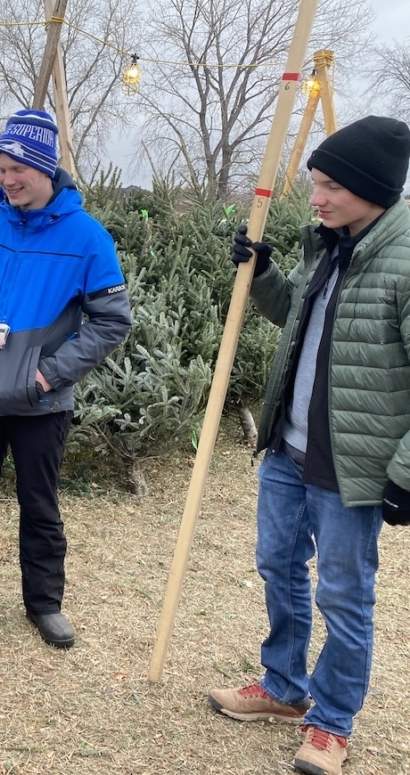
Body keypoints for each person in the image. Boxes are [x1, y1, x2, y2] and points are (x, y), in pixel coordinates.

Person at [208, 116, 410, 775]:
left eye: (327, 186)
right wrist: (263, 273)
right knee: (278, 566)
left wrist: (405, 472)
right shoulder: (329, 243)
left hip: (350, 466)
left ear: (369, 188)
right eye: (314, 183)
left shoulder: (404, 260)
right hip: (288, 452)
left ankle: (331, 721)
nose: (315, 197)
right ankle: (284, 685)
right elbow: (298, 313)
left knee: (344, 595)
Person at [0, 109, 132, 649]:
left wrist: (48, 375)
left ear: (45, 168)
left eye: (16, 169)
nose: (6, 180)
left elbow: (113, 320)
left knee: (39, 502)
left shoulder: (87, 239)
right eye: (0, 169)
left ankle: (44, 602)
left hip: (39, 404)